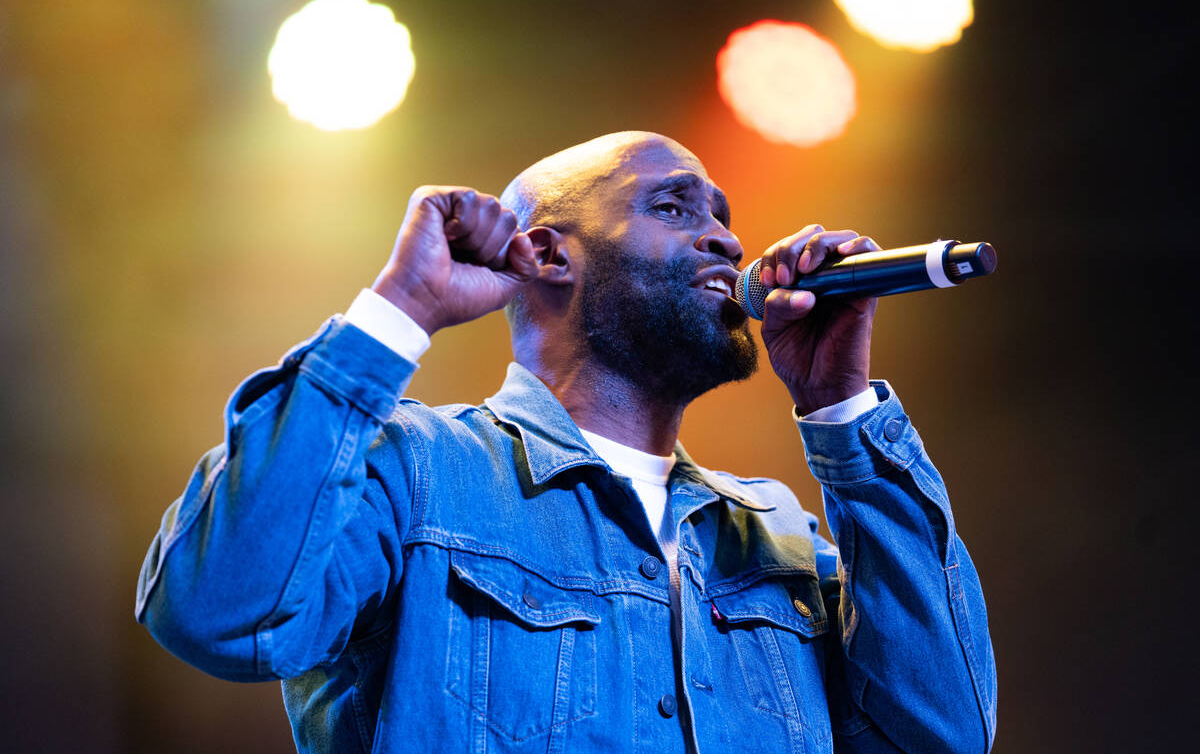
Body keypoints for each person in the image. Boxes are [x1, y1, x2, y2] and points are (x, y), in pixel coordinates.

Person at [136, 131, 997, 753]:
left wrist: (840, 408)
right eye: (672, 206)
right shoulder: (416, 471)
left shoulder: (776, 534)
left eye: (726, 220)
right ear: (546, 254)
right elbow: (222, 613)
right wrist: (398, 309)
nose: (728, 241)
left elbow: (943, 734)